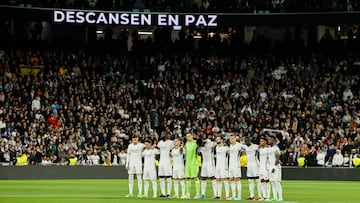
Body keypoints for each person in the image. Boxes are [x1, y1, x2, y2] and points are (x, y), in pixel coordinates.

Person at [228, 134, 245, 200]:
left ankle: (239, 196)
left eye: (232, 138)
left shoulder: (239, 145)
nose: (231, 140)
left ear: (235, 138)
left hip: (236, 165)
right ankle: (233, 195)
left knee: (237, 180)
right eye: (230, 138)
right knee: (231, 180)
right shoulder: (230, 146)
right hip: (230, 165)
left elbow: (245, 148)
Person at [184, 132, 201, 199]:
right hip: (187, 163)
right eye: (187, 136)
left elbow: (200, 144)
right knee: (187, 178)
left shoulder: (196, 143)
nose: (187, 137)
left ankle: (197, 194)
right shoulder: (186, 143)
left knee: (195, 178)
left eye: (189, 136)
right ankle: (187, 194)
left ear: (192, 136)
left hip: (194, 163)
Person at [157, 132, 174, 197]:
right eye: (161, 134)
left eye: (163, 134)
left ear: (166, 135)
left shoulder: (170, 142)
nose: (162, 135)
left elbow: (174, 148)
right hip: (161, 162)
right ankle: (163, 193)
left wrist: (171, 153)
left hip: (167, 162)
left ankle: (168, 193)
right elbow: (158, 150)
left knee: (168, 177)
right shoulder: (160, 143)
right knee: (161, 177)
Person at [214, 135, 230, 199]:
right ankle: (219, 195)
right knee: (218, 180)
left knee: (225, 180)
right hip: (217, 166)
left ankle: (227, 195)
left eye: (218, 139)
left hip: (223, 166)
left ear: (221, 140)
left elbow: (230, 153)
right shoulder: (216, 147)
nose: (217, 140)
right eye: (216, 139)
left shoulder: (226, 148)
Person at [268, 135, 283, 201]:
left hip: (276, 167)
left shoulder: (276, 148)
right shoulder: (269, 148)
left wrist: (274, 166)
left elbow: (277, 158)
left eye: (270, 140)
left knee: (277, 182)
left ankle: (280, 197)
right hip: (270, 167)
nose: (269, 141)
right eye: (268, 140)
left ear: (273, 141)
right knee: (273, 182)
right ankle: (274, 197)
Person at [258, 135, 270, 201]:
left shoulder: (268, 149)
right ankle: (264, 196)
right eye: (260, 141)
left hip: (266, 168)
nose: (260, 142)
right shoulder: (259, 149)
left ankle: (268, 197)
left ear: (265, 142)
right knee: (262, 182)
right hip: (261, 168)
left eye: (262, 141)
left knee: (267, 182)